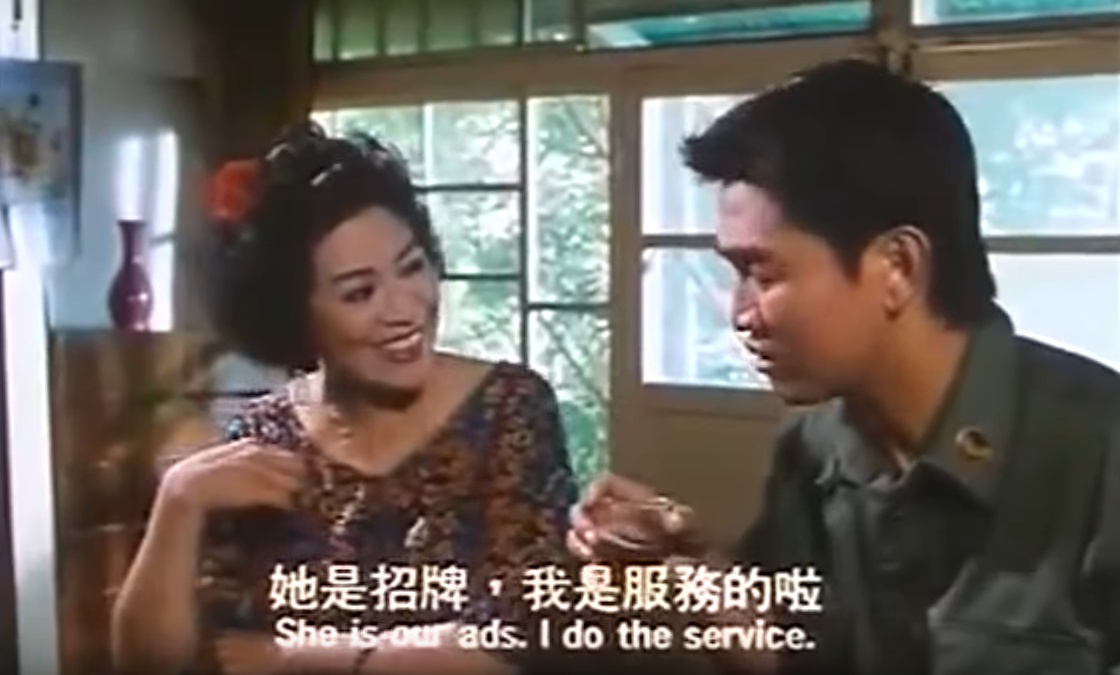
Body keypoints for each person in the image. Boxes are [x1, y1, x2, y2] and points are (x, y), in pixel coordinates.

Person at [568, 59, 1120, 675]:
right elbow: (795, 652)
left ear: (897, 267)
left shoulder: (1099, 454)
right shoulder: (814, 447)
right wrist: (679, 569)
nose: (740, 314)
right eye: (735, 274)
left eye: (763, 274)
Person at [111, 122, 578, 675]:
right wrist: (178, 504)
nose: (404, 309)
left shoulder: (508, 407)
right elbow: (150, 663)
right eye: (360, 292)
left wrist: (296, 657)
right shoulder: (265, 437)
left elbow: (519, 638)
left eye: (412, 267)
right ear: (296, 315)